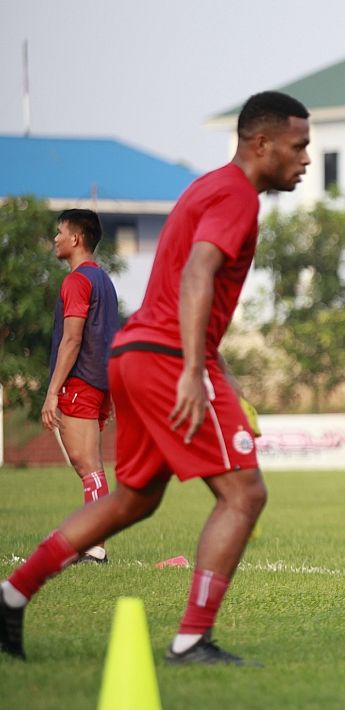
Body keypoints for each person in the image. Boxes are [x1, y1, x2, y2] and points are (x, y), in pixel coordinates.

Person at [1, 91, 311, 664]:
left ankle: (12, 593)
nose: (306, 159)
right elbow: (197, 274)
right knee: (244, 493)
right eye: (299, 146)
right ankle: (192, 640)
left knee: (135, 499)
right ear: (260, 143)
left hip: (137, 352)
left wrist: (215, 371)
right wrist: (194, 368)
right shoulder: (236, 195)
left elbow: (184, 284)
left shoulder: (207, 186)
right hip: (168, 358)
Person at [41, 209, 120, 564]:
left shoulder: (76, 280)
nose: (55, 238)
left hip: (81, 381)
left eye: (59, 232)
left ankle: (95, 547)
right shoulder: (104, 280)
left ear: (76, 239)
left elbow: (72, 340)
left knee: (87, 466)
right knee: (91, 467)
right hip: (101, 381)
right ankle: (91, 543)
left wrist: (52, 390)